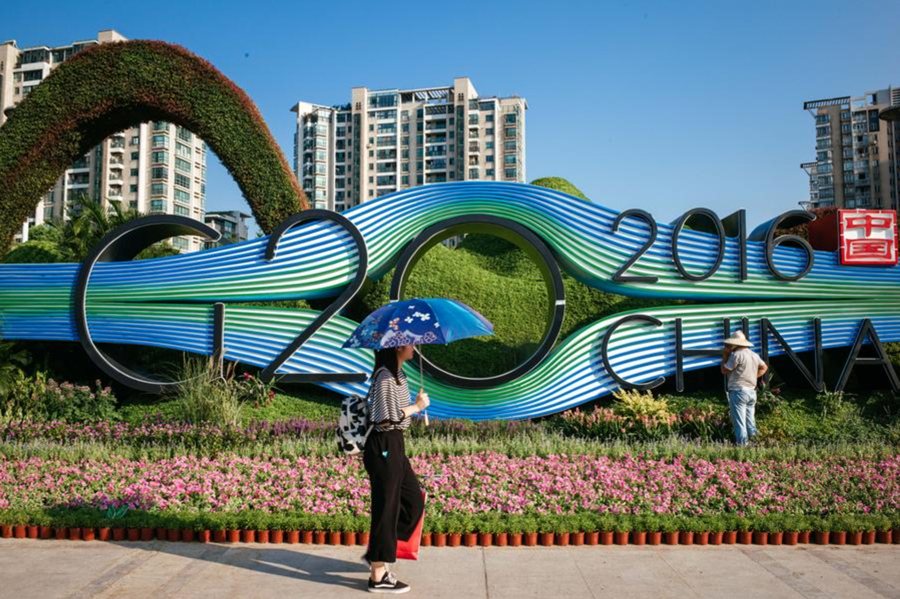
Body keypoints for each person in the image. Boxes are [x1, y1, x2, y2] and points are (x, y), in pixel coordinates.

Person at [362, 344, 429, 594]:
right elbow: (383, 418)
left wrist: (415, 407)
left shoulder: (400, 375)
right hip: (383, 446)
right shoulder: (384, 376)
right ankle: (377, 574)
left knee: (413, 501)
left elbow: (399, 419)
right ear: (399, 346)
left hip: (396, 444)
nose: (415, 347)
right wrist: (416, 407)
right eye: (411, 343)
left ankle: (380, 550)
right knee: (386, 508)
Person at [720, 330, 768, 446]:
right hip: (751, 391)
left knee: (739, 422)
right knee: (750, 421)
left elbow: (724, 370)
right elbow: (764, 367)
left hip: (738, 391)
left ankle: (742, 447)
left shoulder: (736, 355)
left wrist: (725, 356)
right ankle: (755, 442)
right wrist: (753, 377)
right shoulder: (753, 355)